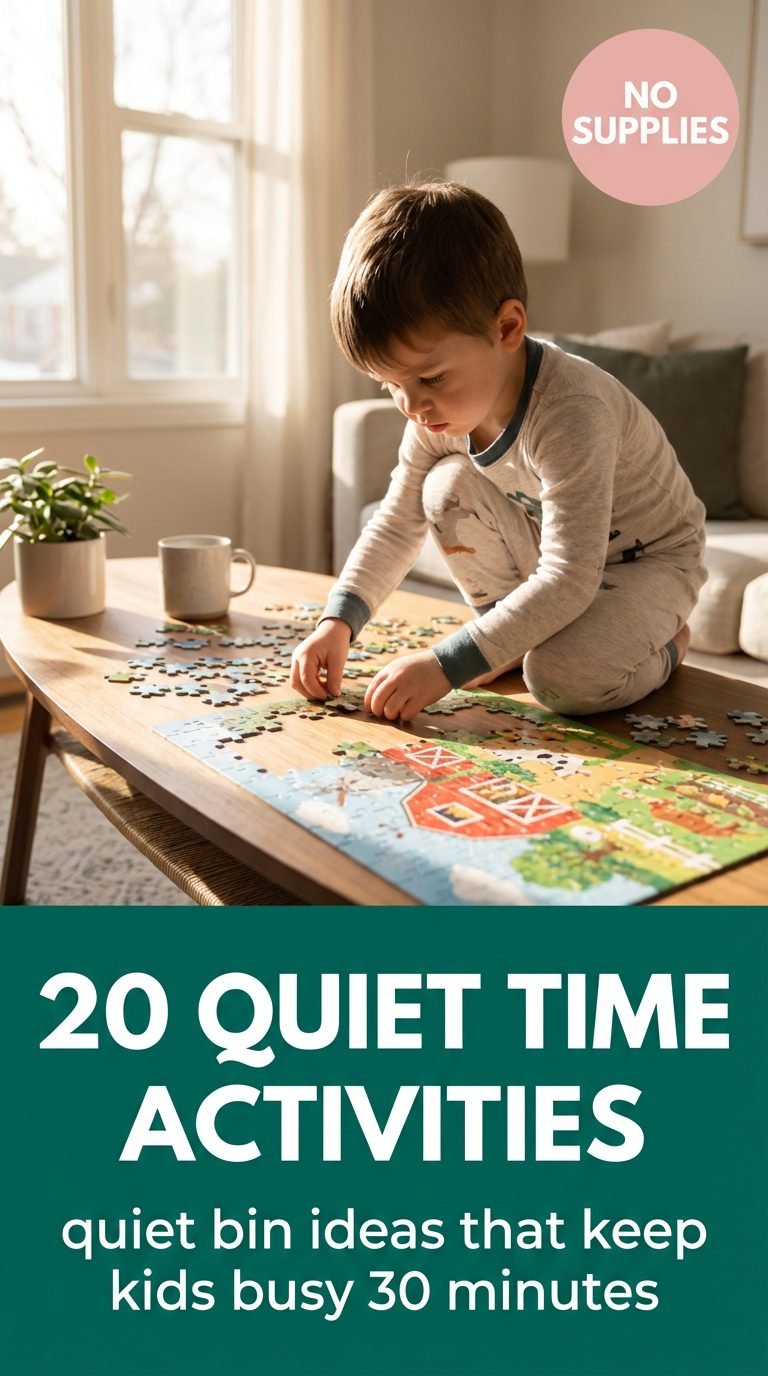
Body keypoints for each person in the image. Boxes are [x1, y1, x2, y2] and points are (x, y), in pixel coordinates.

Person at [291, 180, 706, 721]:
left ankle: (670, 642)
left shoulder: (570, 410)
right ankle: (505, 642)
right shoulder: (436, 411)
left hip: (651, 562)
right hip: (559, 553)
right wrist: (337, 622)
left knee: (561, 680)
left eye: (430, 377)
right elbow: (396, 522)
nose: (410, 405)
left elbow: (569, 575)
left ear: (507, 328)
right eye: (388, 384)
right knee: (442, 487)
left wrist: (445, 665)